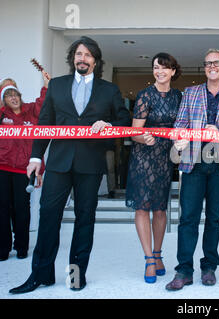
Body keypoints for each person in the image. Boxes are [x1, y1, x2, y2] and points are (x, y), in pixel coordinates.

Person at [9, 36, 131, 294]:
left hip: (91, 163)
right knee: (48, 216)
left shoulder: (108, 90)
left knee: (84, 219)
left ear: (95, 61)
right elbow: (44, 125)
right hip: (59, 163)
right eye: (78, 54)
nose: (82, 59)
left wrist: (109, 127)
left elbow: (123, 121)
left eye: (87, 55)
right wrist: (35, 158)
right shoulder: (57, 86)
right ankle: (41, 275)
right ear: (72, 59)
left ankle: (76, 276)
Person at [165, 48, 219, 291]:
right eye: (208, 63)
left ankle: (209, 267)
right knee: (188, 218)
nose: (212, 66)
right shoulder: (190, 93)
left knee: (215, 218)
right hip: (193, 162)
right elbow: (180, 125)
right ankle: (184, 270)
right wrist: (179, 139)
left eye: (217, 62)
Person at [125, 52, 182, 284]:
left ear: (173, 72)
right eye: (156, 67)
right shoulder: (145, 95)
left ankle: (158, 254)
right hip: (144, 157)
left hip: (165, 158)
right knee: (142, 208)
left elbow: (183, 125)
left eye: (164, 68)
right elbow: (134, 131)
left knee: (160, 209)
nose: (159, 71)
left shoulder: (179, 96)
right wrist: (143, 138)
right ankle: (149, 259)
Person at [0, 71, 50, 261]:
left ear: (20, 96)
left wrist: (46, 85)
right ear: (3, 100)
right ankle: (2, 249)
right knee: (2, 209)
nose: (13, 98)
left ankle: (21, 247)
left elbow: (43, 104)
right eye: (8, 95)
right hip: (2, 169)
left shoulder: (31, 111)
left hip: (24, 169)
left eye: (15, 94)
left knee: (22, 209)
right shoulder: (1, 115)